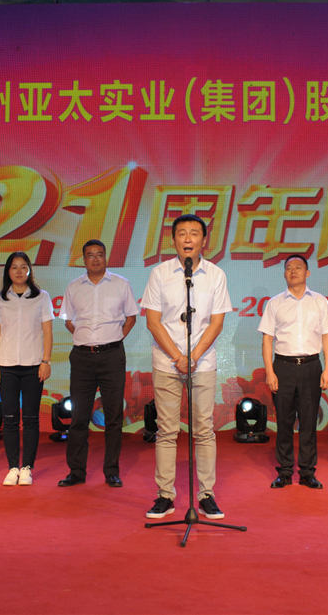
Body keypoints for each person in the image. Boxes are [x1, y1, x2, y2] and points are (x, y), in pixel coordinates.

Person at [142, 214, 232, 519]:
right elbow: (153, 322)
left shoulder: (216, 275)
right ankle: (165, 495)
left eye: (194, 233)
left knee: (204, 429)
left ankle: (206, 494)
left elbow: (216, 322)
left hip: (202, 363)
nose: (188, 239)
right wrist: (178, 357)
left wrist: (193, 355)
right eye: (182, 233)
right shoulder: (159, 274)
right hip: (166, 363)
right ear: (173, 240)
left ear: (204, 240)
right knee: (167, 430)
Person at [56, 239, 138, 488]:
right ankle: (76, 471)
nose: (95, 259)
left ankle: (111, 471)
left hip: (112, 356)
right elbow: (68, 320)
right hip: (82, 357)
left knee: (113, 416)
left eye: (99, 254)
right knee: (79, 416)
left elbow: (131, 317)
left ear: (106, 257)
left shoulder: (121, 284)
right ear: (84, 260)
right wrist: (87, 339)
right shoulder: (73, 287)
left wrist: (113, 339)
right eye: (90, 255)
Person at [258, 255, 328, 490]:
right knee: (283, 421)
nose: (293, 271)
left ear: (307, 273)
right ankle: (284, 472)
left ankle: (307, 472)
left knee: (309, 421)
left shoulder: (320, 302)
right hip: (283, 367)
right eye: (289, 268)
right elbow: (267, 339)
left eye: (298, 267)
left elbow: (327, 337)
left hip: (312, 366)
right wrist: (270, 372)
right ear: (284, 273)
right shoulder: (275, 303)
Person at [0, 252, 53, 487]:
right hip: (6, 366)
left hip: (33, 365)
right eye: (14, 267)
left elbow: (47, 331)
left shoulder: (41, 297)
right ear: (8, 271)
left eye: (23, 267)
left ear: (29, 270)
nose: (18, 271)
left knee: (31, 418)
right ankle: (12, 467)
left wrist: (45, 361)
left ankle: (27, 468)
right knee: (10, 418)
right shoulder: (0, 299)